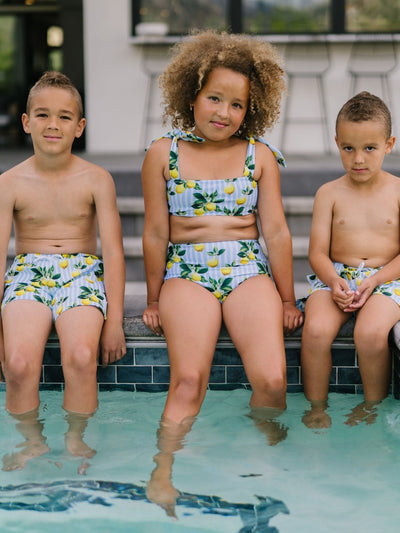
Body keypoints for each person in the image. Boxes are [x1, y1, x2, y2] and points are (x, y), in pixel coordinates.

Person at [0, 71, 126, 469]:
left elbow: (116, 252)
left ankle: (76, 439)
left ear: (79, 127)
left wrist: (117, 320)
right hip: (27, 274)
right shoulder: (9, 182)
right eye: (42, 115)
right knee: (18, 363)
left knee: (82, 356)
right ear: (26, 122)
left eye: (64, 117)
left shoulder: (97, 179)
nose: (53, 124)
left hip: (83, 273)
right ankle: (31, 441)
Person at [301, 91, 399, 429]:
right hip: (336, 276)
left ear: (389, 144)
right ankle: (316, 406)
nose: (358, 159)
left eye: (370, 148)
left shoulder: (398, 191)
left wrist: (375, 280)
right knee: (314, 331)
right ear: (337, 142)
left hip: (387, 278)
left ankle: (372, 405)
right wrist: (332, 281)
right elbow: (317, 252)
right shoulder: (329, 193)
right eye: (349, 148)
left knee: (371, 334)